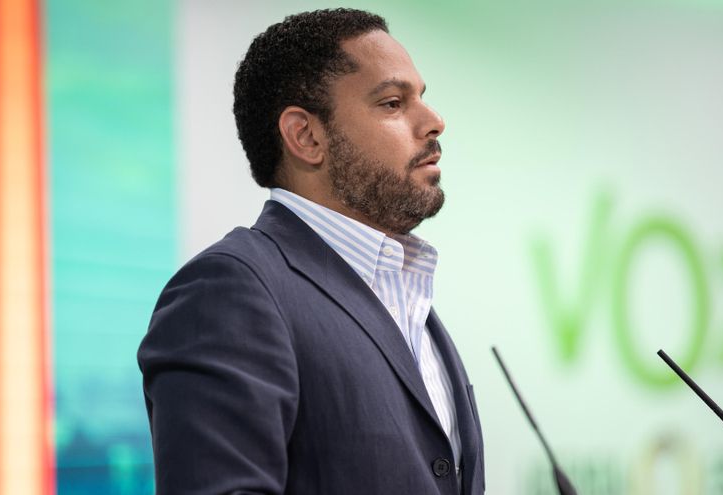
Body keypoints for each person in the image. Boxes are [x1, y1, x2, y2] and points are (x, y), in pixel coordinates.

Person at [138, 8, 485, 495]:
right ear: (306, 136)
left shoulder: (409, 298)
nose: (434, 122)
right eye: (391, 103)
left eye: (422, 98)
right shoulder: (230, 290)